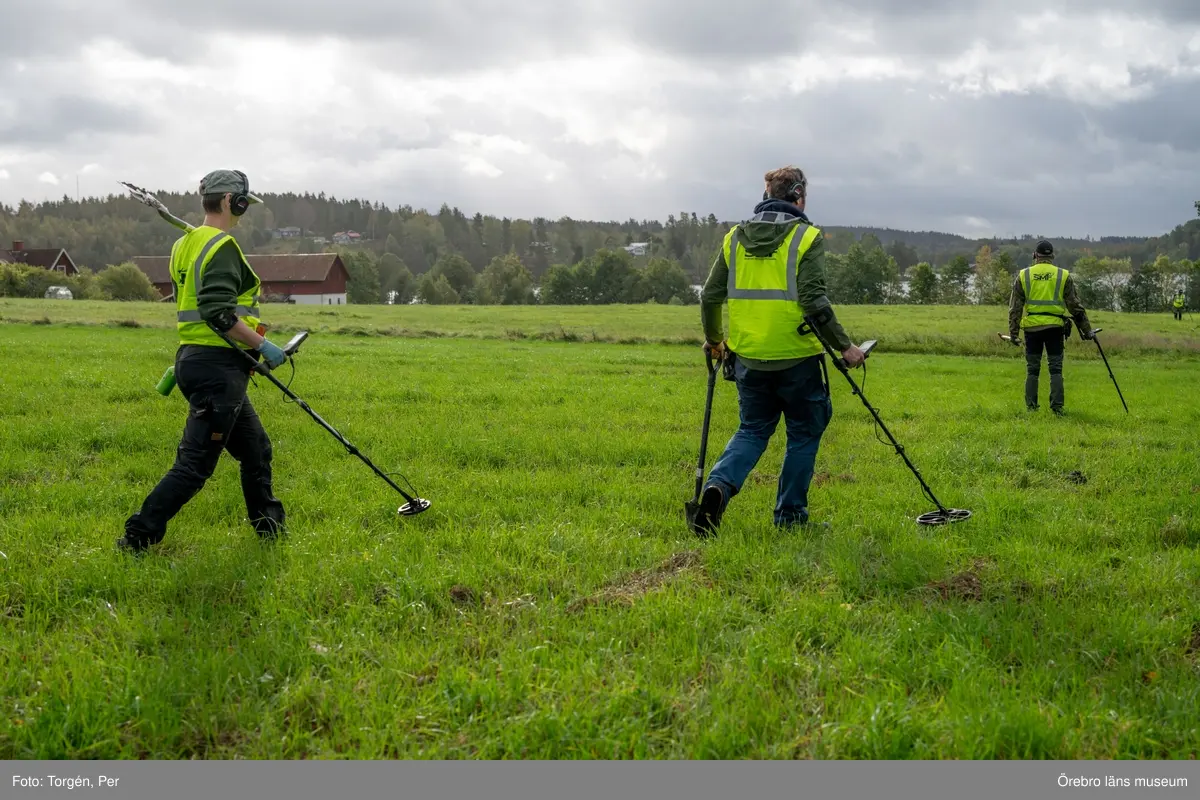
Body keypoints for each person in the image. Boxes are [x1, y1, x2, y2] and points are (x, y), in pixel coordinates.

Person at [118, 170, 289, 553]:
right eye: (244, 202)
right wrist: (263, 345)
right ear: (231, 201)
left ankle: (271, 532)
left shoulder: (185, 245)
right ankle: (137, 537)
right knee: (195, 465)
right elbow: (217, 313)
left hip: (201, 361)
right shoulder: (221, 246)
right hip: (216, 368)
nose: (245, 210)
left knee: (256, 449)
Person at [691, 165, 864, 535]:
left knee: (752, 430)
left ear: (767, 194)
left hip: (749, 359)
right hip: (798, 359)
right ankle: (790, 518)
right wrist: (846, 347)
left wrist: (715, 339)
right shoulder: (807, 237)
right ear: (799, 196)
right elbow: (815, 300)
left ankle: (717, 487)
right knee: (803, 433)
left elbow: (710, 295)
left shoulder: (734, 237)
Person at [1007, 239, 1093, 415]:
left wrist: (1014, 333)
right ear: (1052, 256)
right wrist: (1086, 330)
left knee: (1032, 370)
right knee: (1055, 369)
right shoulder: (1062, 275)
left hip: (1032, 330)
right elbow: (1075, 306)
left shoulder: (1024, 275)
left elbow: (1015, 307)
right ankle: (1057, 408)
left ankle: (1031, 408)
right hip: (1055, 328)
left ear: (1035, 256)